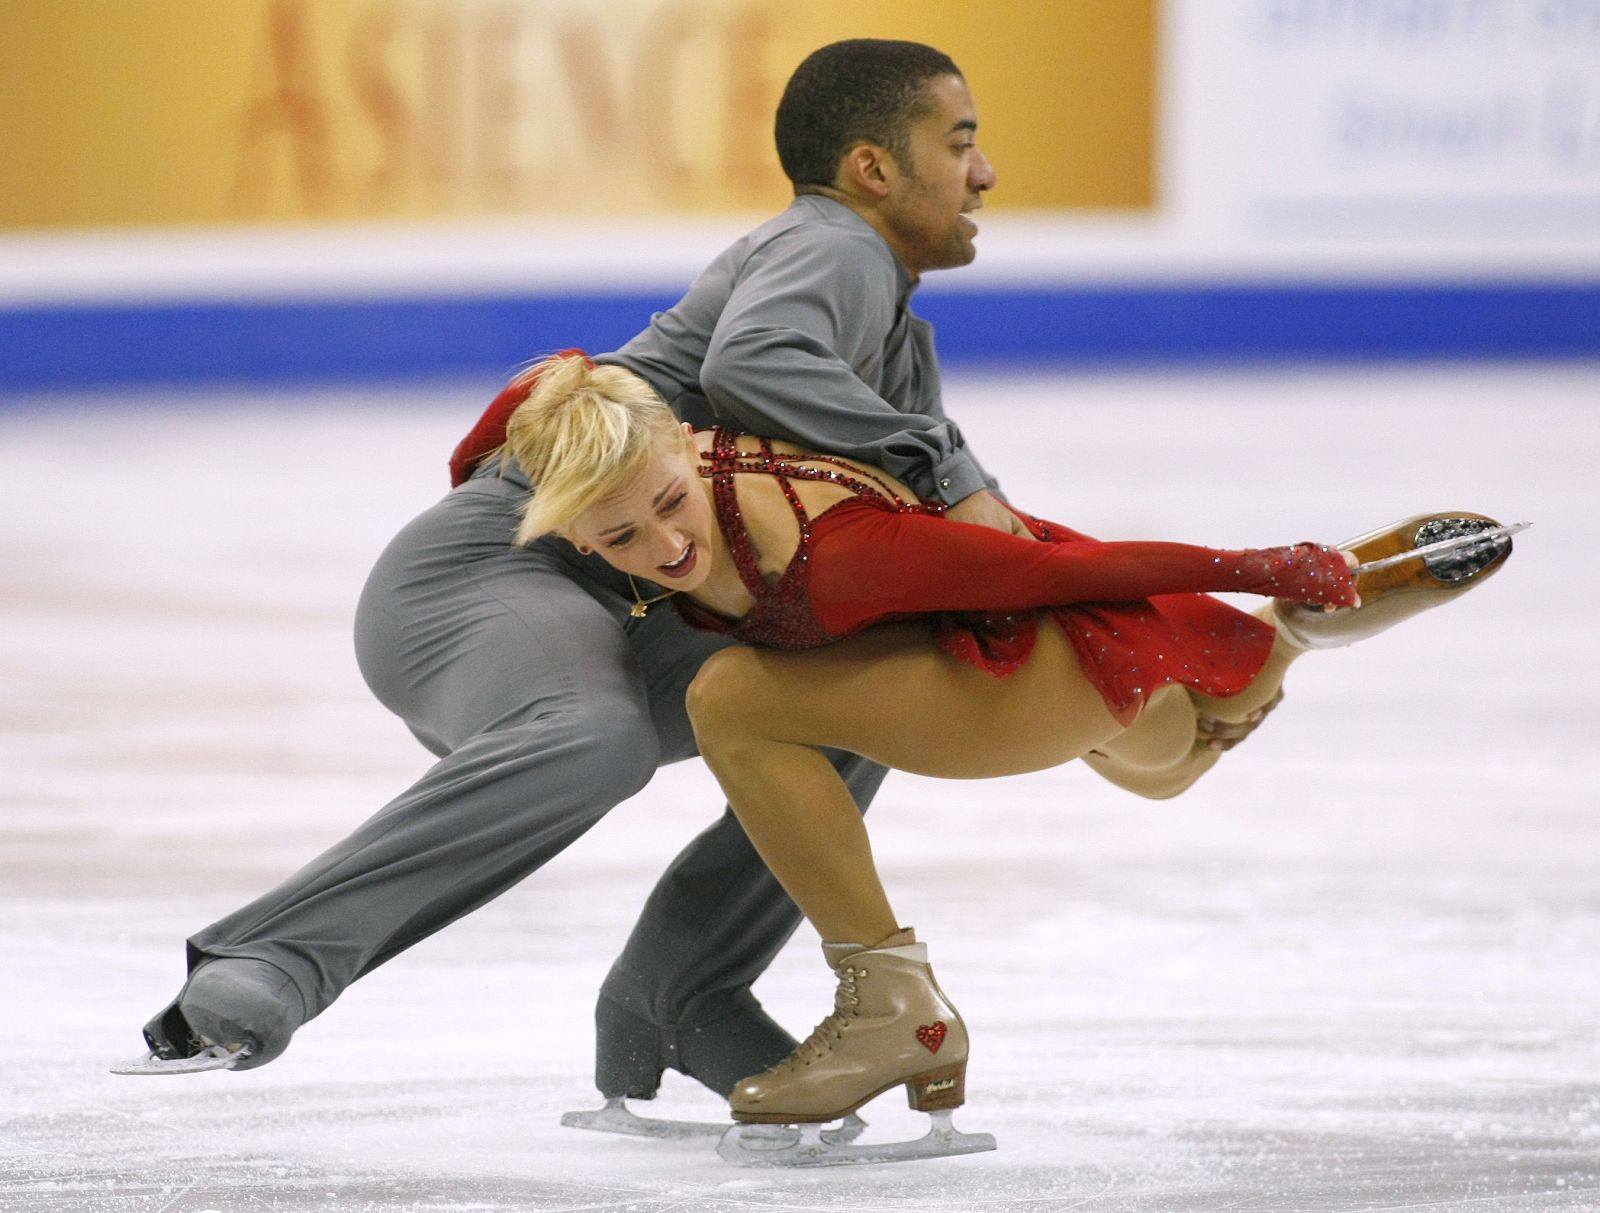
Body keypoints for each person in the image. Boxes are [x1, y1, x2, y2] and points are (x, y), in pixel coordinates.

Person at [117, 38, 1025, 1118]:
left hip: (640, 604)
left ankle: (680, 994)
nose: (983, 175)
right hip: (494, 568)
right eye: (959, 143)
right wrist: (945, 468)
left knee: (867, 687)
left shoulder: (891, 338)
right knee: (594, 734)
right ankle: (272, 956)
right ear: (875, 168)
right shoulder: (836, 246)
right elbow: (754, 364)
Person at [498, 352, 1517, 1151]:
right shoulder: (661, 467)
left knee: (733, 698)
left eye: (668, 506)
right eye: (621, 537)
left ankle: (893, 1010)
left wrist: (1271, 560)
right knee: (1169, 763)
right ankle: (1287, 636)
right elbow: (521, 447)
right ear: (574, 536)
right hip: (1044, 672)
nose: (666, 548)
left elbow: (1048, 570)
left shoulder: (837, 552)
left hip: (1027, 660)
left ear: (686, 443)